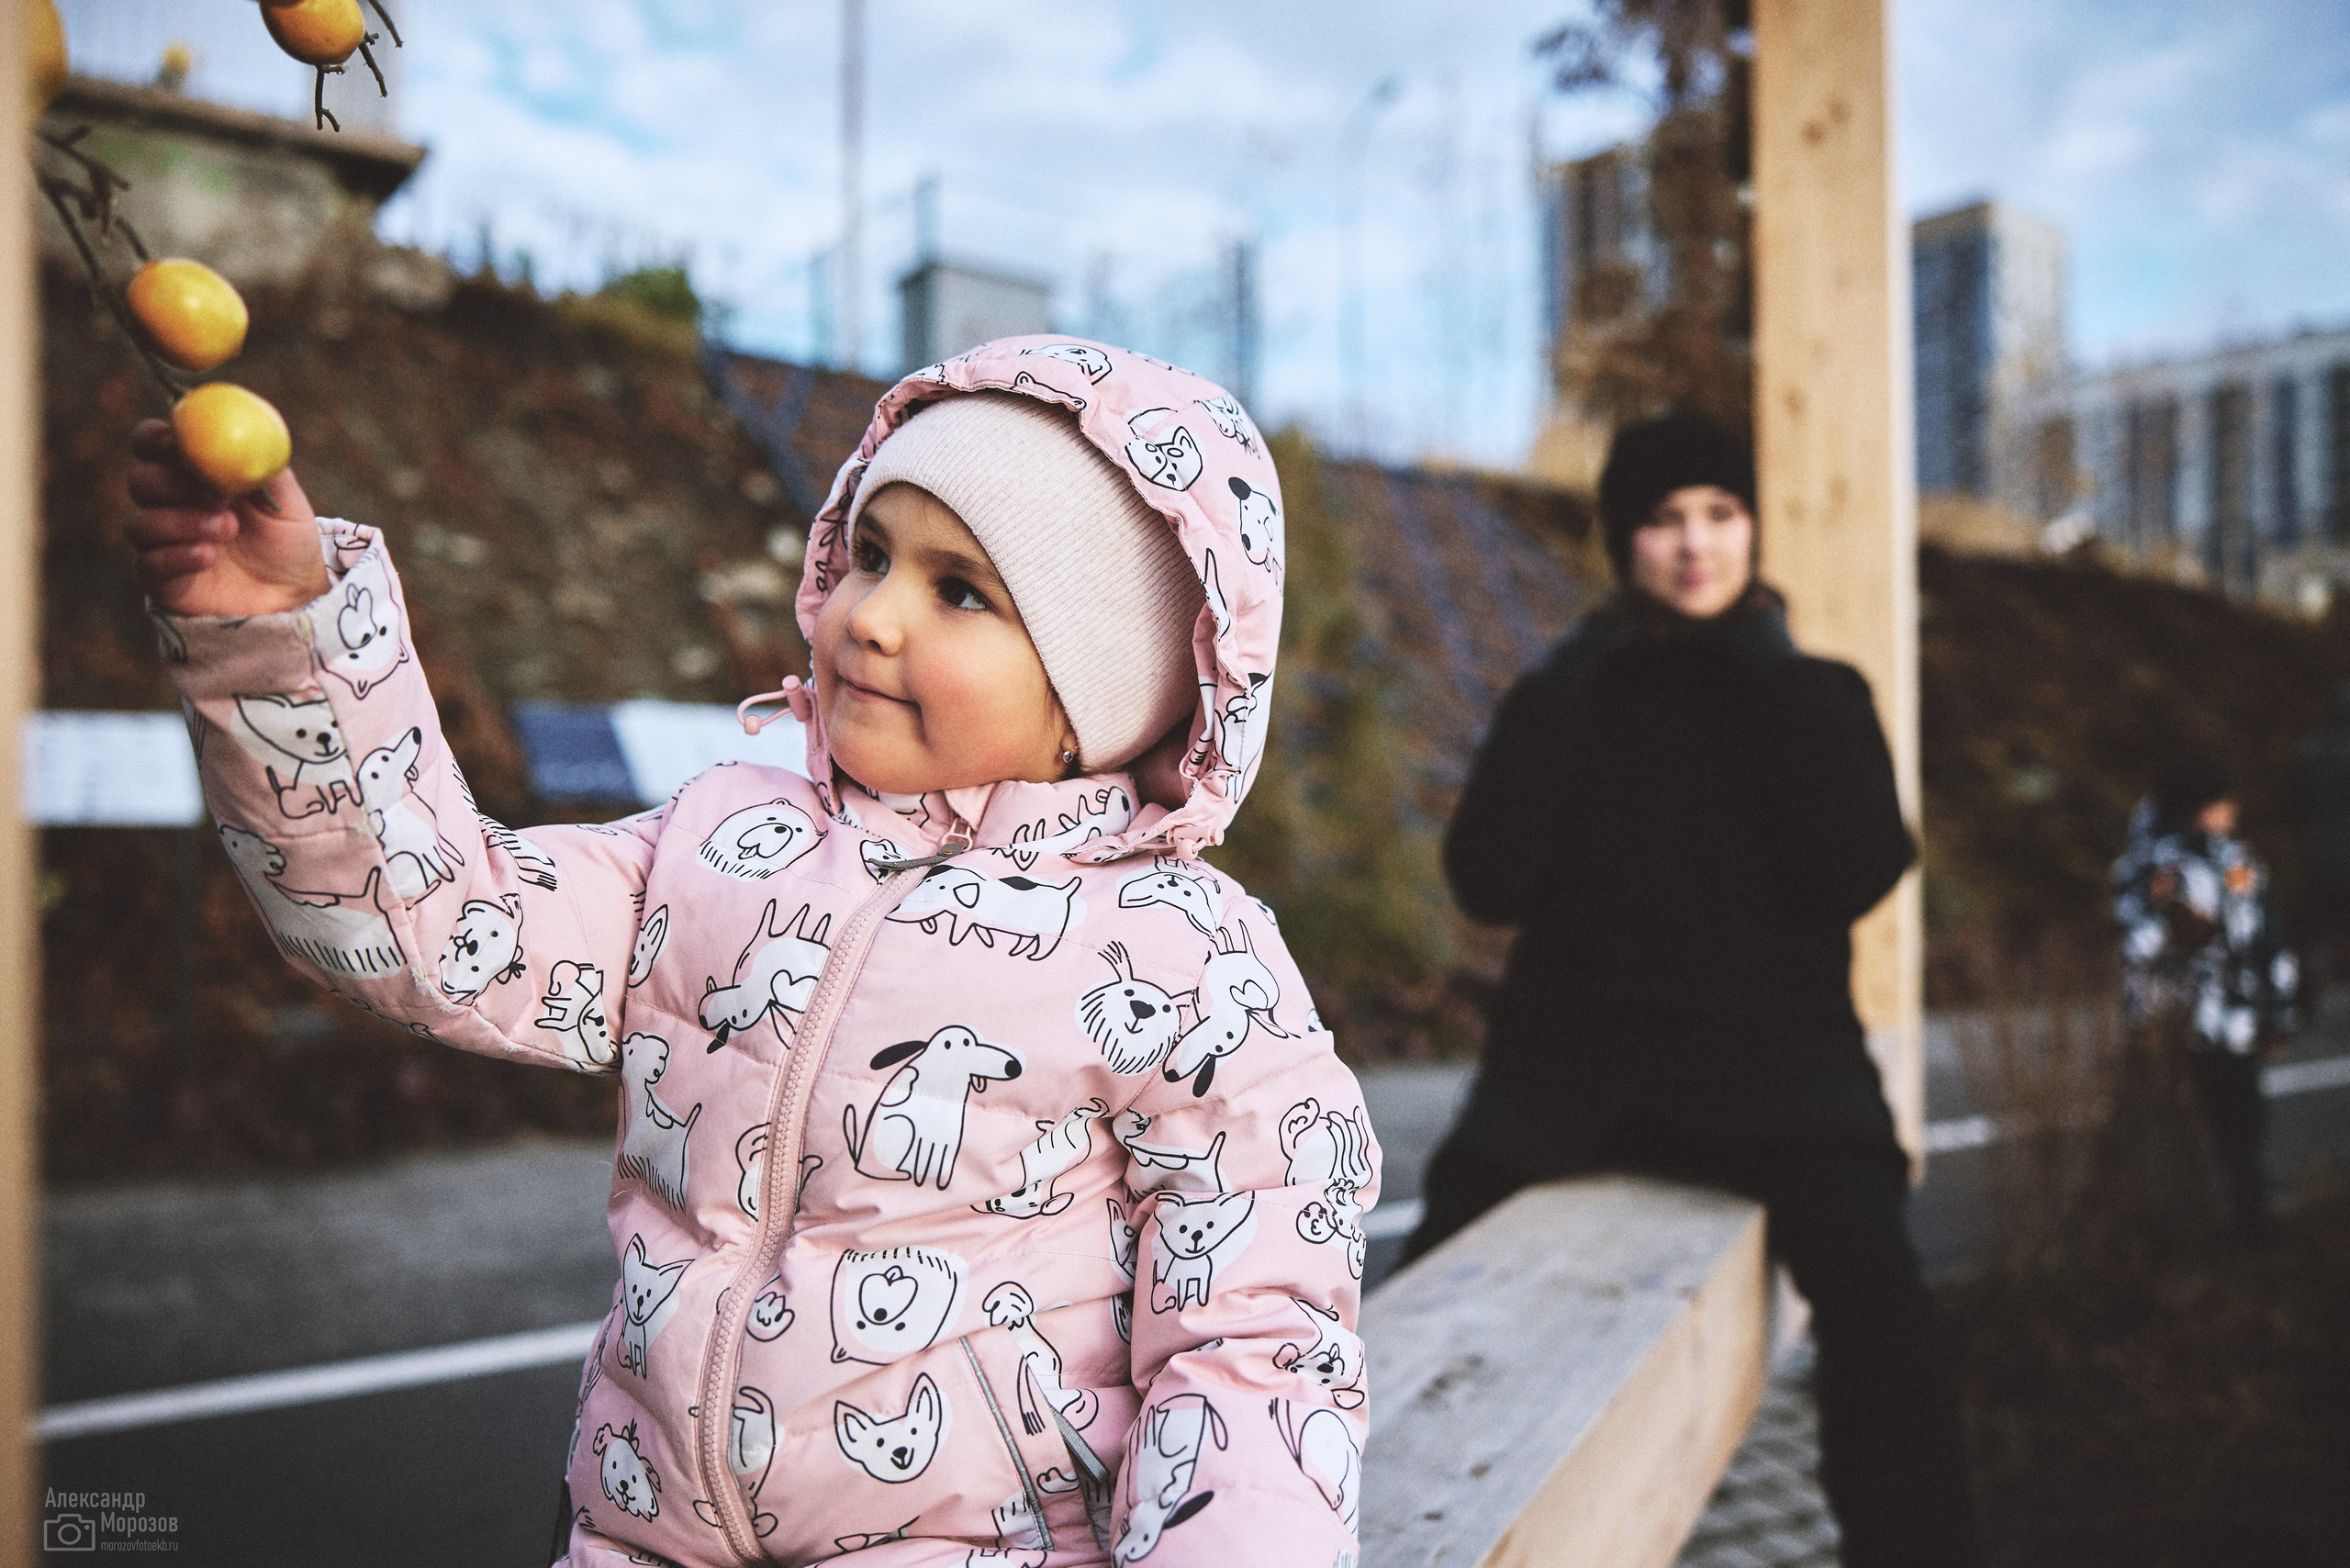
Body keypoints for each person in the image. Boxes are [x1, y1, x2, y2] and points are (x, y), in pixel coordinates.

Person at [125, 339, 1376, 1568]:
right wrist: (285, 639)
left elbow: (1255, 1346)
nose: (869, 616)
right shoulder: (722, 845)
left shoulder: (1183, 956)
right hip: (640, 1531)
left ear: (1104, 694)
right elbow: (435, 925)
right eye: (870, 554)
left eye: (962, 591)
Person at [1407, 412, 1980, 1568]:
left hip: (1778, 1081)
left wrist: (1772, 677)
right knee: (1423, 1286)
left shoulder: (1811, 687)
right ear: (1625, 541)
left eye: (1720, 514)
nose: (1694, 544)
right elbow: (1487, 877)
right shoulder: (1570, 694)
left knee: (1885, 1323)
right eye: (1664, 520)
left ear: (1752, 529)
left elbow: (1862, 862)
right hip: (1573, 1079)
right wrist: (1568, 684)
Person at [2111, 758, 2298, 1237]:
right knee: (2195, 1125)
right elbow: (2142, 948)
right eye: (2219, 802)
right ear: (2197, 809)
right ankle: (2206, 1222)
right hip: (2186, 1020)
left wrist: (2276, 1011)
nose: (2230, 809)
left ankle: (2245, 1217)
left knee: (2241, 1119)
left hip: (2231, 1018)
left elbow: (2266, 937)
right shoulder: (2160, 867)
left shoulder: (2235, 861)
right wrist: (2144, 1017)